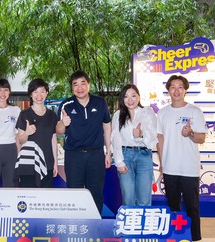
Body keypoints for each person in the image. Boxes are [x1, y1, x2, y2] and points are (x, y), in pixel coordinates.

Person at [156, 74, 207, 242]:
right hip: (170, 166)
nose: (176, 91)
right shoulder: (162, 112)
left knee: (192, 205)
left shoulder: (195, 111)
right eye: (172, 87)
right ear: (168, 90)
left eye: (180, 87)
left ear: (185, 90)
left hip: (189, 167)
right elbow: (159, 139)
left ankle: (192, 241)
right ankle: (176, 240)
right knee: (173, 205)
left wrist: (191, 133)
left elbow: (201, 138)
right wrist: (162, 163)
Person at [56, 70, 112, 215]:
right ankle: (77, 223)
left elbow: (107, 126)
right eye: (76, 84)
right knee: (75, 192)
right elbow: (59, 130)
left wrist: (108, 152)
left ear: (88, 85)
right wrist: (63, 122)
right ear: (72, 88)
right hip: (74, 156)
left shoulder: (100, 103)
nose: (80, 88)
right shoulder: (66, 105)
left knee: (96, 192)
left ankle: (96, 224)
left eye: (83, 83)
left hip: (96, 154)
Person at [111, 84, 157, 207]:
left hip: (144, 156)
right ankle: (129, 225)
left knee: (144, 198)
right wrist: (119, 161)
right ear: (122, 99)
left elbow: (153, 139)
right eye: (126, 96)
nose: (130, 100)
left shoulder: (147, 112)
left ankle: (143, 225)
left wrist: (140, 135)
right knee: (128, 197)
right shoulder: (118, 115)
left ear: (139, 97)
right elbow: (115, 139)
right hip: (125, 155)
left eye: (133, 96)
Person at [14, 78, 58, 188]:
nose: (39, 95)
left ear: (47, 93)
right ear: (31, 94)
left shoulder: (52, 115)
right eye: (35, 91)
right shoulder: (24, 114)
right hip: (28, 162)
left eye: (42, 91)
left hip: (47, 162)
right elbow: (20, 140)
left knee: (45, 199)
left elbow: (53, 140)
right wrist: (27, 133)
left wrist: (55, 163)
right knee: (28, 199)